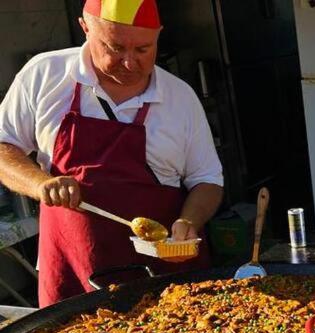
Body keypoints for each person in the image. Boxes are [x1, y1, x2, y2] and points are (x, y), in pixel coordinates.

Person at [0, 0, 223, 306]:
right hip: (74, 272)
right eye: (115, 48)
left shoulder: (179, 97)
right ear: (85, 27)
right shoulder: (44, 75)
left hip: (165, 278)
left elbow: (207, 179)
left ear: (159, 35)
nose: (130, 63)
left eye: (143, 50)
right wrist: (39, 183)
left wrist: (190, 221)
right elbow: (3, 147)